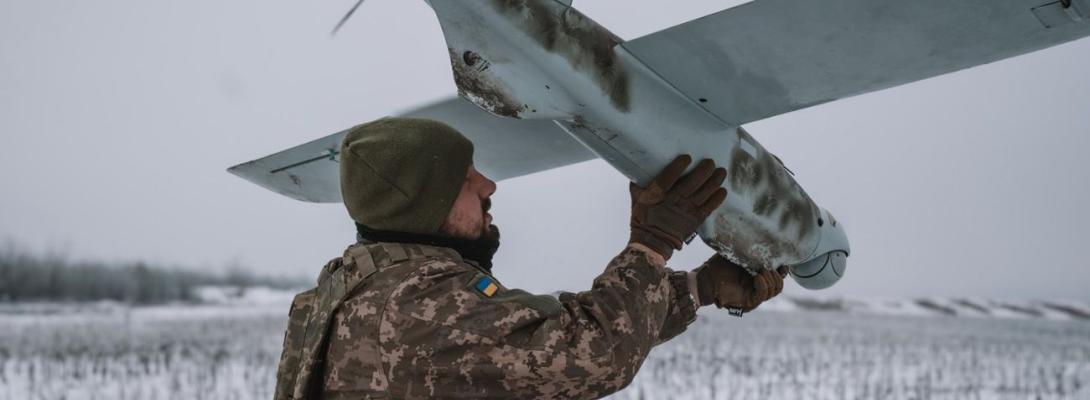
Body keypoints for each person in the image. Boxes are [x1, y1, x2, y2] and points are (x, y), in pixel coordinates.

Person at [273, 118, 787, 400]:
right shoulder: (412, 307)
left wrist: (698, 288)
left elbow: (538, 336)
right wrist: (652, 242)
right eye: (463, 177)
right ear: (422, 205)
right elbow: (587, 355)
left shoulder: (352, 292)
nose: (488, 185)